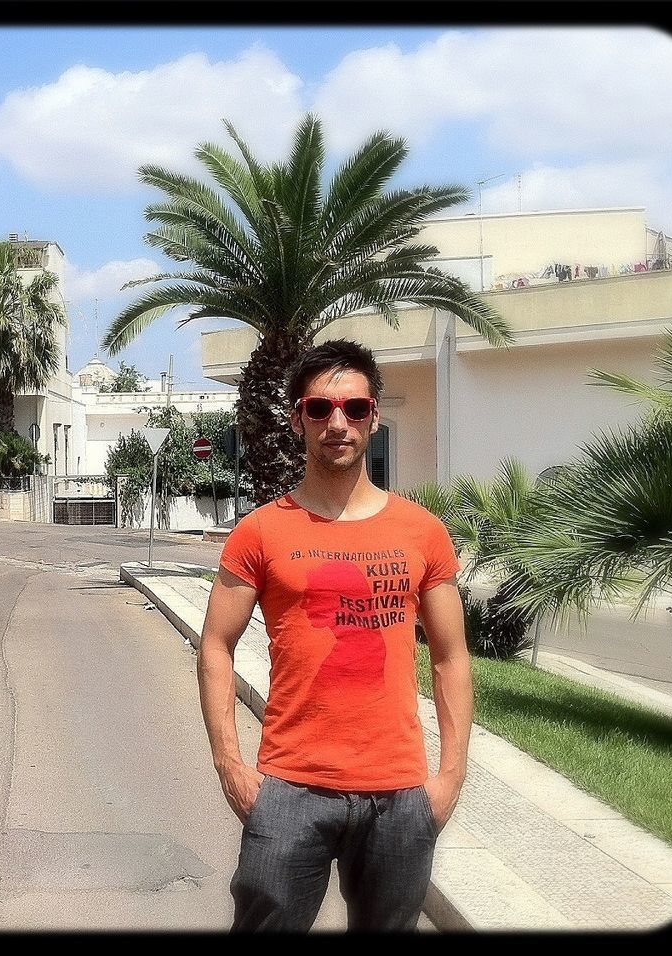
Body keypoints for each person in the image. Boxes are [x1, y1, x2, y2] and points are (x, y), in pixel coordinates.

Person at [197, 338, 473, 932]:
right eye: (320, 409)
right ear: (299, 418)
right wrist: (231, 766)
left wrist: (450, 777)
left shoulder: (422, 532)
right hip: (291, 786)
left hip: (399, 793)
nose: (337, 423)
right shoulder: (260, 532)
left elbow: (451, 658)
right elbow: (216, 643)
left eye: (353, 408)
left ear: (373, 416)